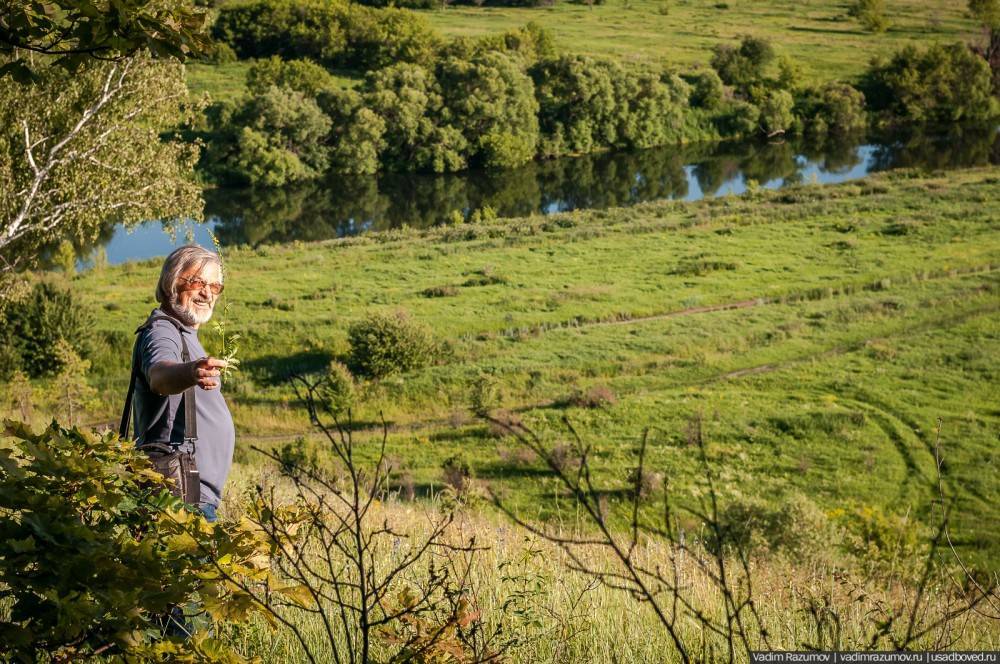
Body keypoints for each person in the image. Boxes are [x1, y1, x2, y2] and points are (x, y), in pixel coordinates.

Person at [130, 244, 235, 524]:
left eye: (215, 286)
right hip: (179, 499)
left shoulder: (183, 332)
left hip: (189, 496)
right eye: (198, 282)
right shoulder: (162, 330)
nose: (207, 293)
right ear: (171, 284)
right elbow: (159, 375)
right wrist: (190, 372)